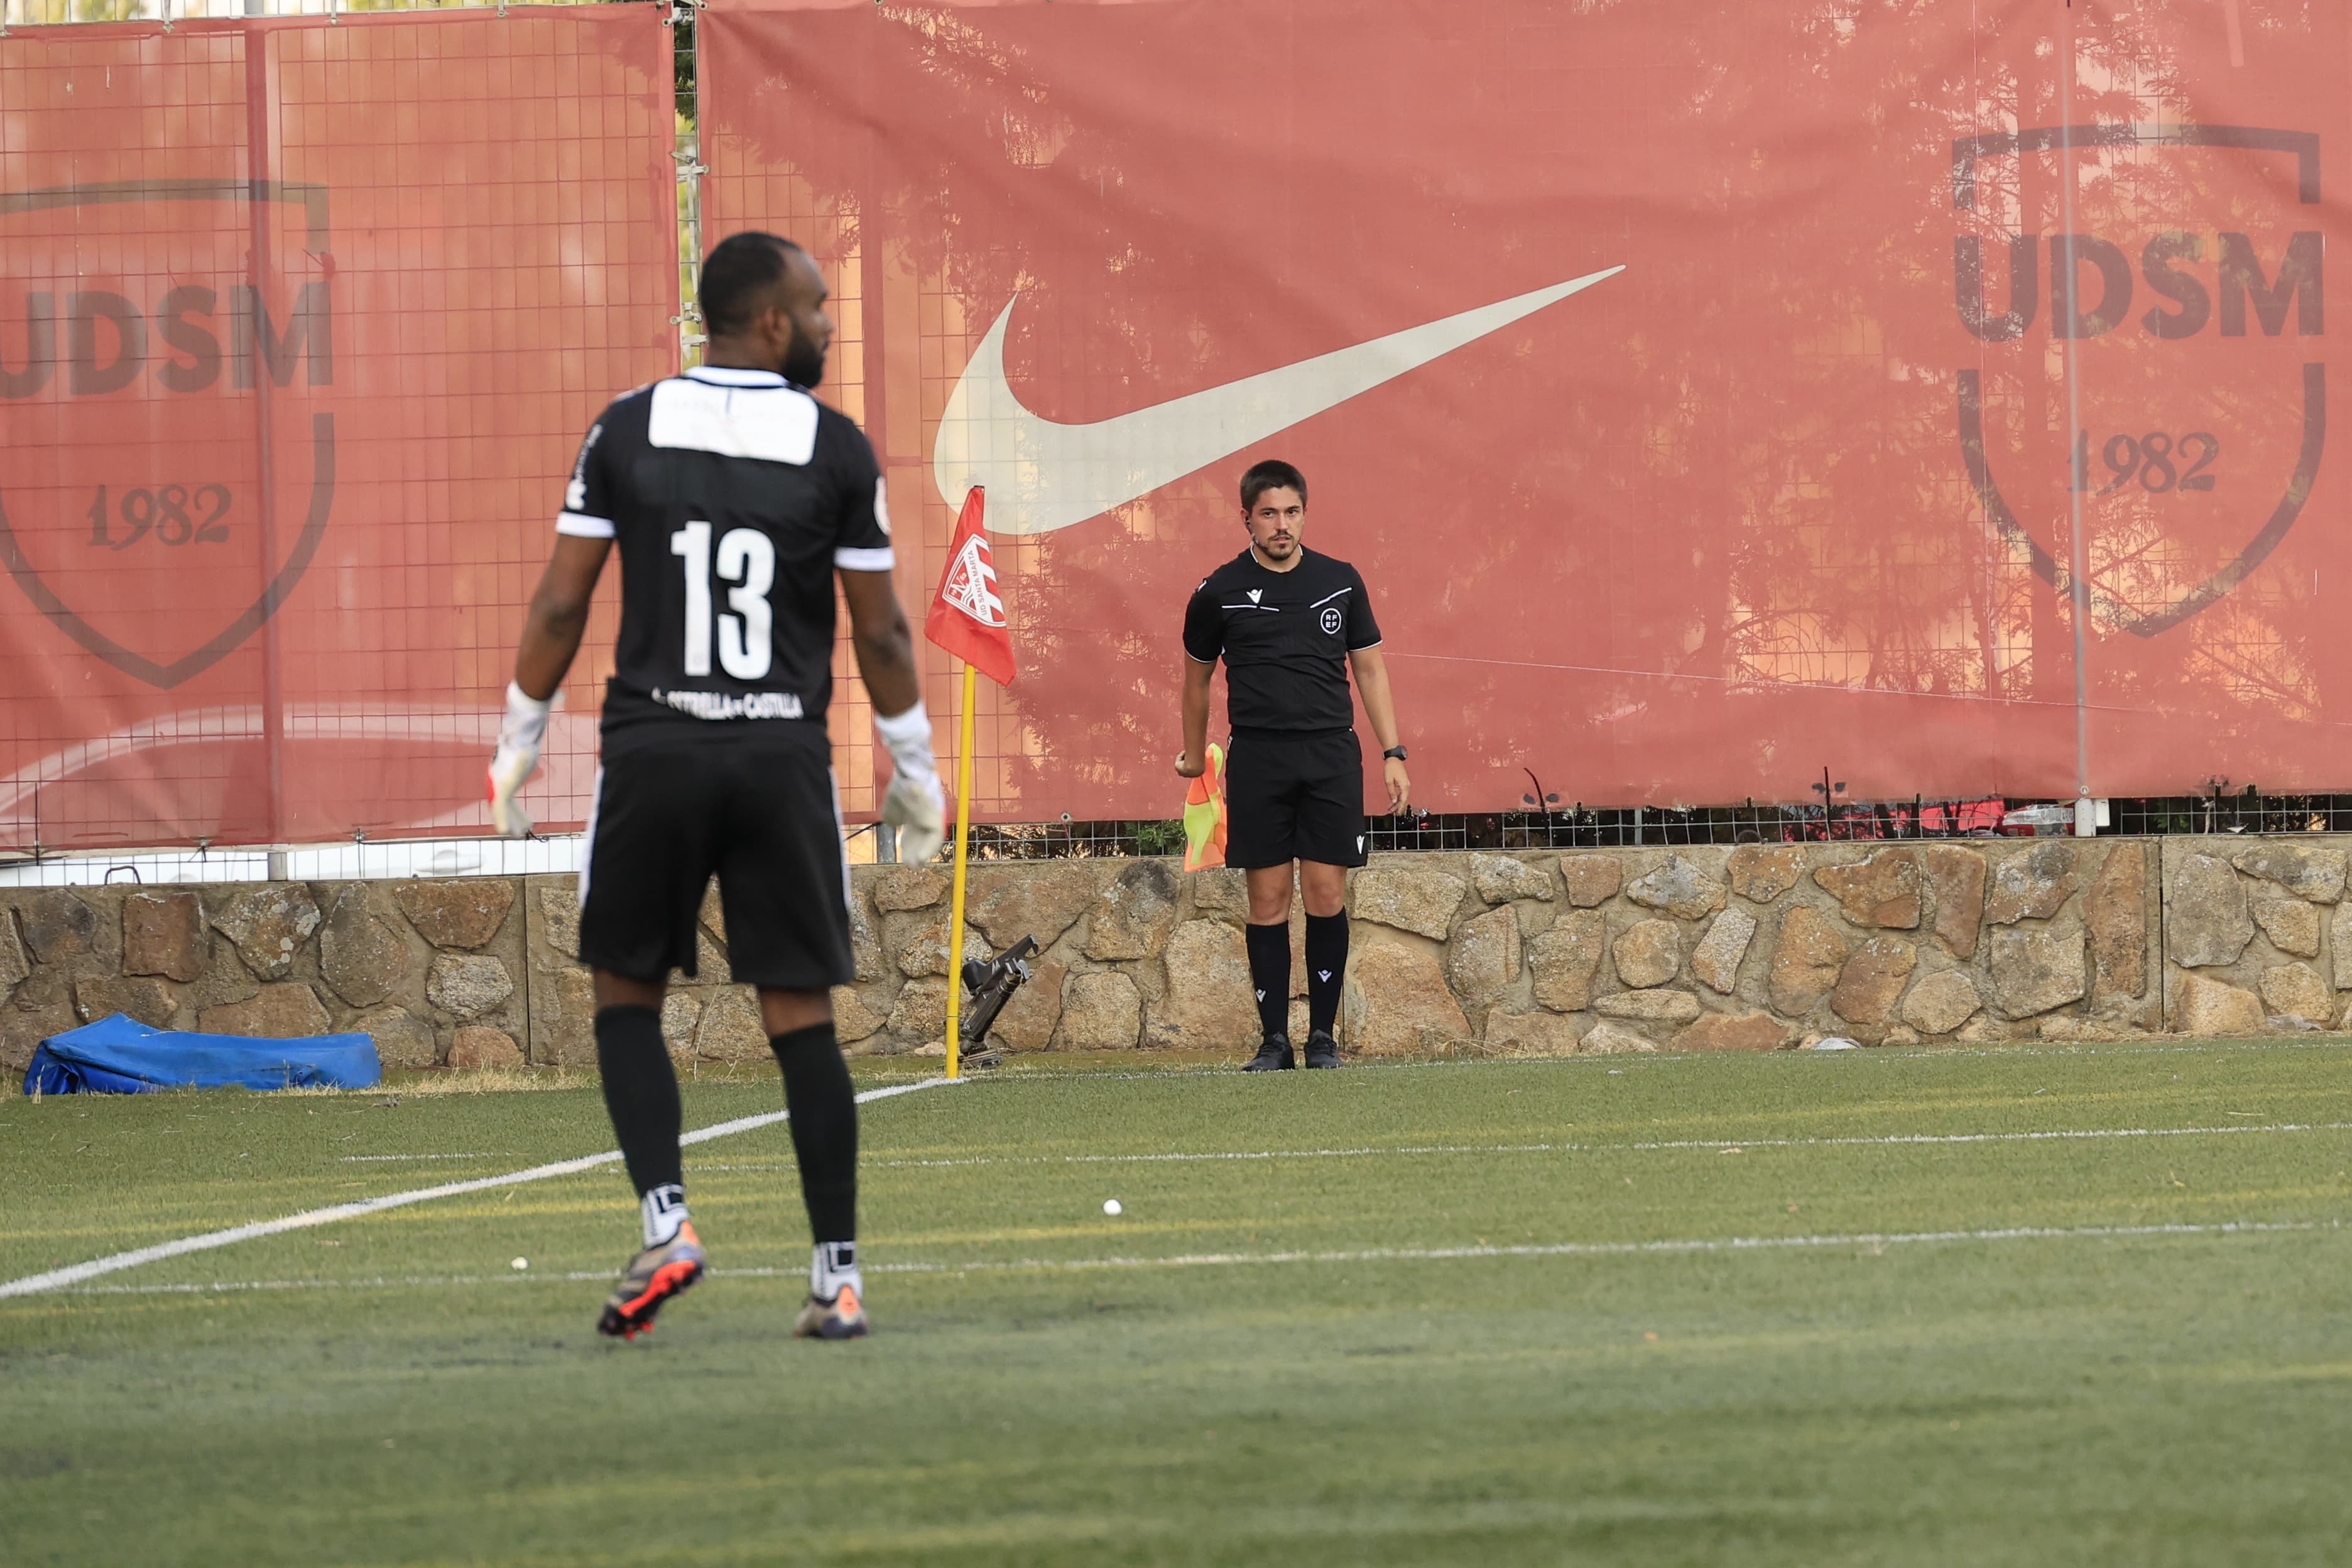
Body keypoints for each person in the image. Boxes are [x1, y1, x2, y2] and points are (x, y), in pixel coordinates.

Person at [485, 232, 945, 1341]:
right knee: (800, 1017)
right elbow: (877, 625)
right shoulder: (835, 447)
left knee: (623, 995)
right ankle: (836, 1278)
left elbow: (559, 606)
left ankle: (666, 1224)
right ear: (771, 322)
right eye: (820, 306)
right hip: (777, 757)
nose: (832, 324)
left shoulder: (625, 427)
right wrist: (913, 764)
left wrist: (518, 739)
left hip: (656, 752)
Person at [1177, 459, 1408, 1070]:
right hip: (1258, 759)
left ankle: (1324, 1039)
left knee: (1327, 894)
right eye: (1270, 514)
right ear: (1247, 518)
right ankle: (1275, 1041)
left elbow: (1371, 670)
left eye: (1292, 512)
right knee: (1268, 900)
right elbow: (1196, 683)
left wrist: (1393, 751)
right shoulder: (1217, 591)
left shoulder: (1341, 581)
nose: (1283, 525)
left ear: (1305, 513)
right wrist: (1194, 752)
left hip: (1331, 755)